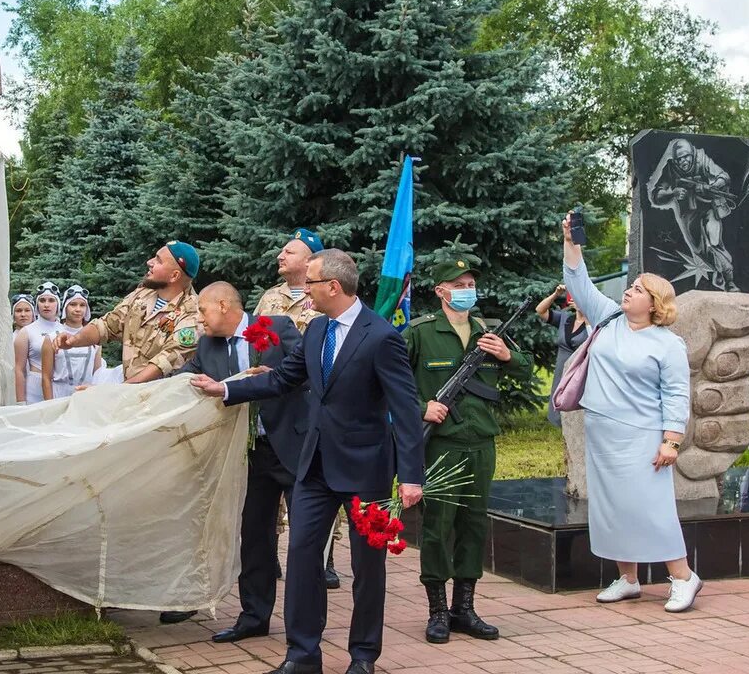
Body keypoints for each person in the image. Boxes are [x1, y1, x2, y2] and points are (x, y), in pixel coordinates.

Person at [192, 249, 424, 674]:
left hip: (366, 471)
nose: (304, 290)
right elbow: (282, 379)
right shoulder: (317, 330)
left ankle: (363, 656)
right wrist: (225, 391)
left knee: (366, 568)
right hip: (314, 467)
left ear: (333, 287)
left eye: (311, 283)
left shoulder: (380, 336)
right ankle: (302, 655)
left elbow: (405, 408)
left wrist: (411, 475)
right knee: (301, 557)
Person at [561, 212, 701, 612]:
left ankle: (684, 577)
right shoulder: (607, 318)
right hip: (601, 432)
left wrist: (671, 440)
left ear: (654, 304)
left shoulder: (667, 343)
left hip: (641, 436)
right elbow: (577, 282)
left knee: (649, 509)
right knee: (610, 508)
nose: (629, 291)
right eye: (631, 286)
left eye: (638, 289)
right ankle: (628, 578)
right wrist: (572, 242)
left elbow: (677, 393)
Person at [404, 256, 532, 644]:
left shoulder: (486, 332)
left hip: (480, 442)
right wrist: (421, 408)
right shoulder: (420, 333)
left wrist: (507, 355)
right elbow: (389, 386)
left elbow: (524, 371)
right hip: (441, 444)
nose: (466, 291)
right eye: (457, 285)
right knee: (438, 526)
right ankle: (438, 610)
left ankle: (465, 607)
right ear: (440, 291)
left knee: (474, 524)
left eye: (469, 284)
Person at [172, 281, 305, 640]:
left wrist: (275, 377)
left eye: (202, 311)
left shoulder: (277, 328)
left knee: (304, 539)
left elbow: (307, 375)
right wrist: (125, 393)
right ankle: (254, 617)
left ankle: (302, 625)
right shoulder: (207, 346)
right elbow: (180, 381)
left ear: (224, 306)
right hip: (250, 452)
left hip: (293, 446)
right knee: (254, 536)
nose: (199, 320)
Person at [254, 228, 338, 586]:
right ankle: (268, 555)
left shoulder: (323, 299)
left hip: (311, 404)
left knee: (314, 484)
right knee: (268, 491)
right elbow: (254, 338)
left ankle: (325, 558)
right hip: (274, 403)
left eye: (289, 252)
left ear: (309, 261)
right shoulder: (269, 298)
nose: (281, 256)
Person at [55, 241, 200, 385]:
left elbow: (164, 362)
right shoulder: (142, 294)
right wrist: (74, 340)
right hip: (128, 390)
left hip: (158, 399)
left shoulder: (192, 313)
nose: (150, 262)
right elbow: (108, 324)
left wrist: (118, 391)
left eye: (158, 261)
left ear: (174, 276)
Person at [646, 137, 737, 291]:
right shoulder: (670, 168)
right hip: (688, 214)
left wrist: (711, 186)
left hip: (709, 208)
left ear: (692, 155)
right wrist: (672, 193)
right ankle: (717, 273)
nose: (684, 161)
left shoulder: (702, 159)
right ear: (675, 160)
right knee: (700, 250)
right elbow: (656, 195)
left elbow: (724, 177)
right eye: (680, 159)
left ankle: (729, 280)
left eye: (686, 156)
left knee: (714, 241)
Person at [536, 284, 588, 427]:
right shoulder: (565, 318)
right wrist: (556, 294)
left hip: (581, 372)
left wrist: (586, 313)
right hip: (562, 369)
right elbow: (540, 310)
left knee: (578, 408)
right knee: (560, 400)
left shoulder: (593, 322)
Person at [41, 284, 102, 399]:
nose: (78, 309)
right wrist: (49, 404)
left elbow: (98, 377)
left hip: (85, 398)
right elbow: (46, 377)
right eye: (73, 304)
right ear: (65, 308)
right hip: (58, 396)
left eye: (82, 305)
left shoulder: (94, 339)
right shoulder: (51, 338)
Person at [14, 282, 62, 403]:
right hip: (35, 388)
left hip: (59, 386)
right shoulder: (26, 332)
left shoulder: (64, 330)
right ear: (37, 304)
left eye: (51, 300)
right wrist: (20, 402)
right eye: (42, 300)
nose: (46, 305)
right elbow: (19, 369)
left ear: (58, 304)